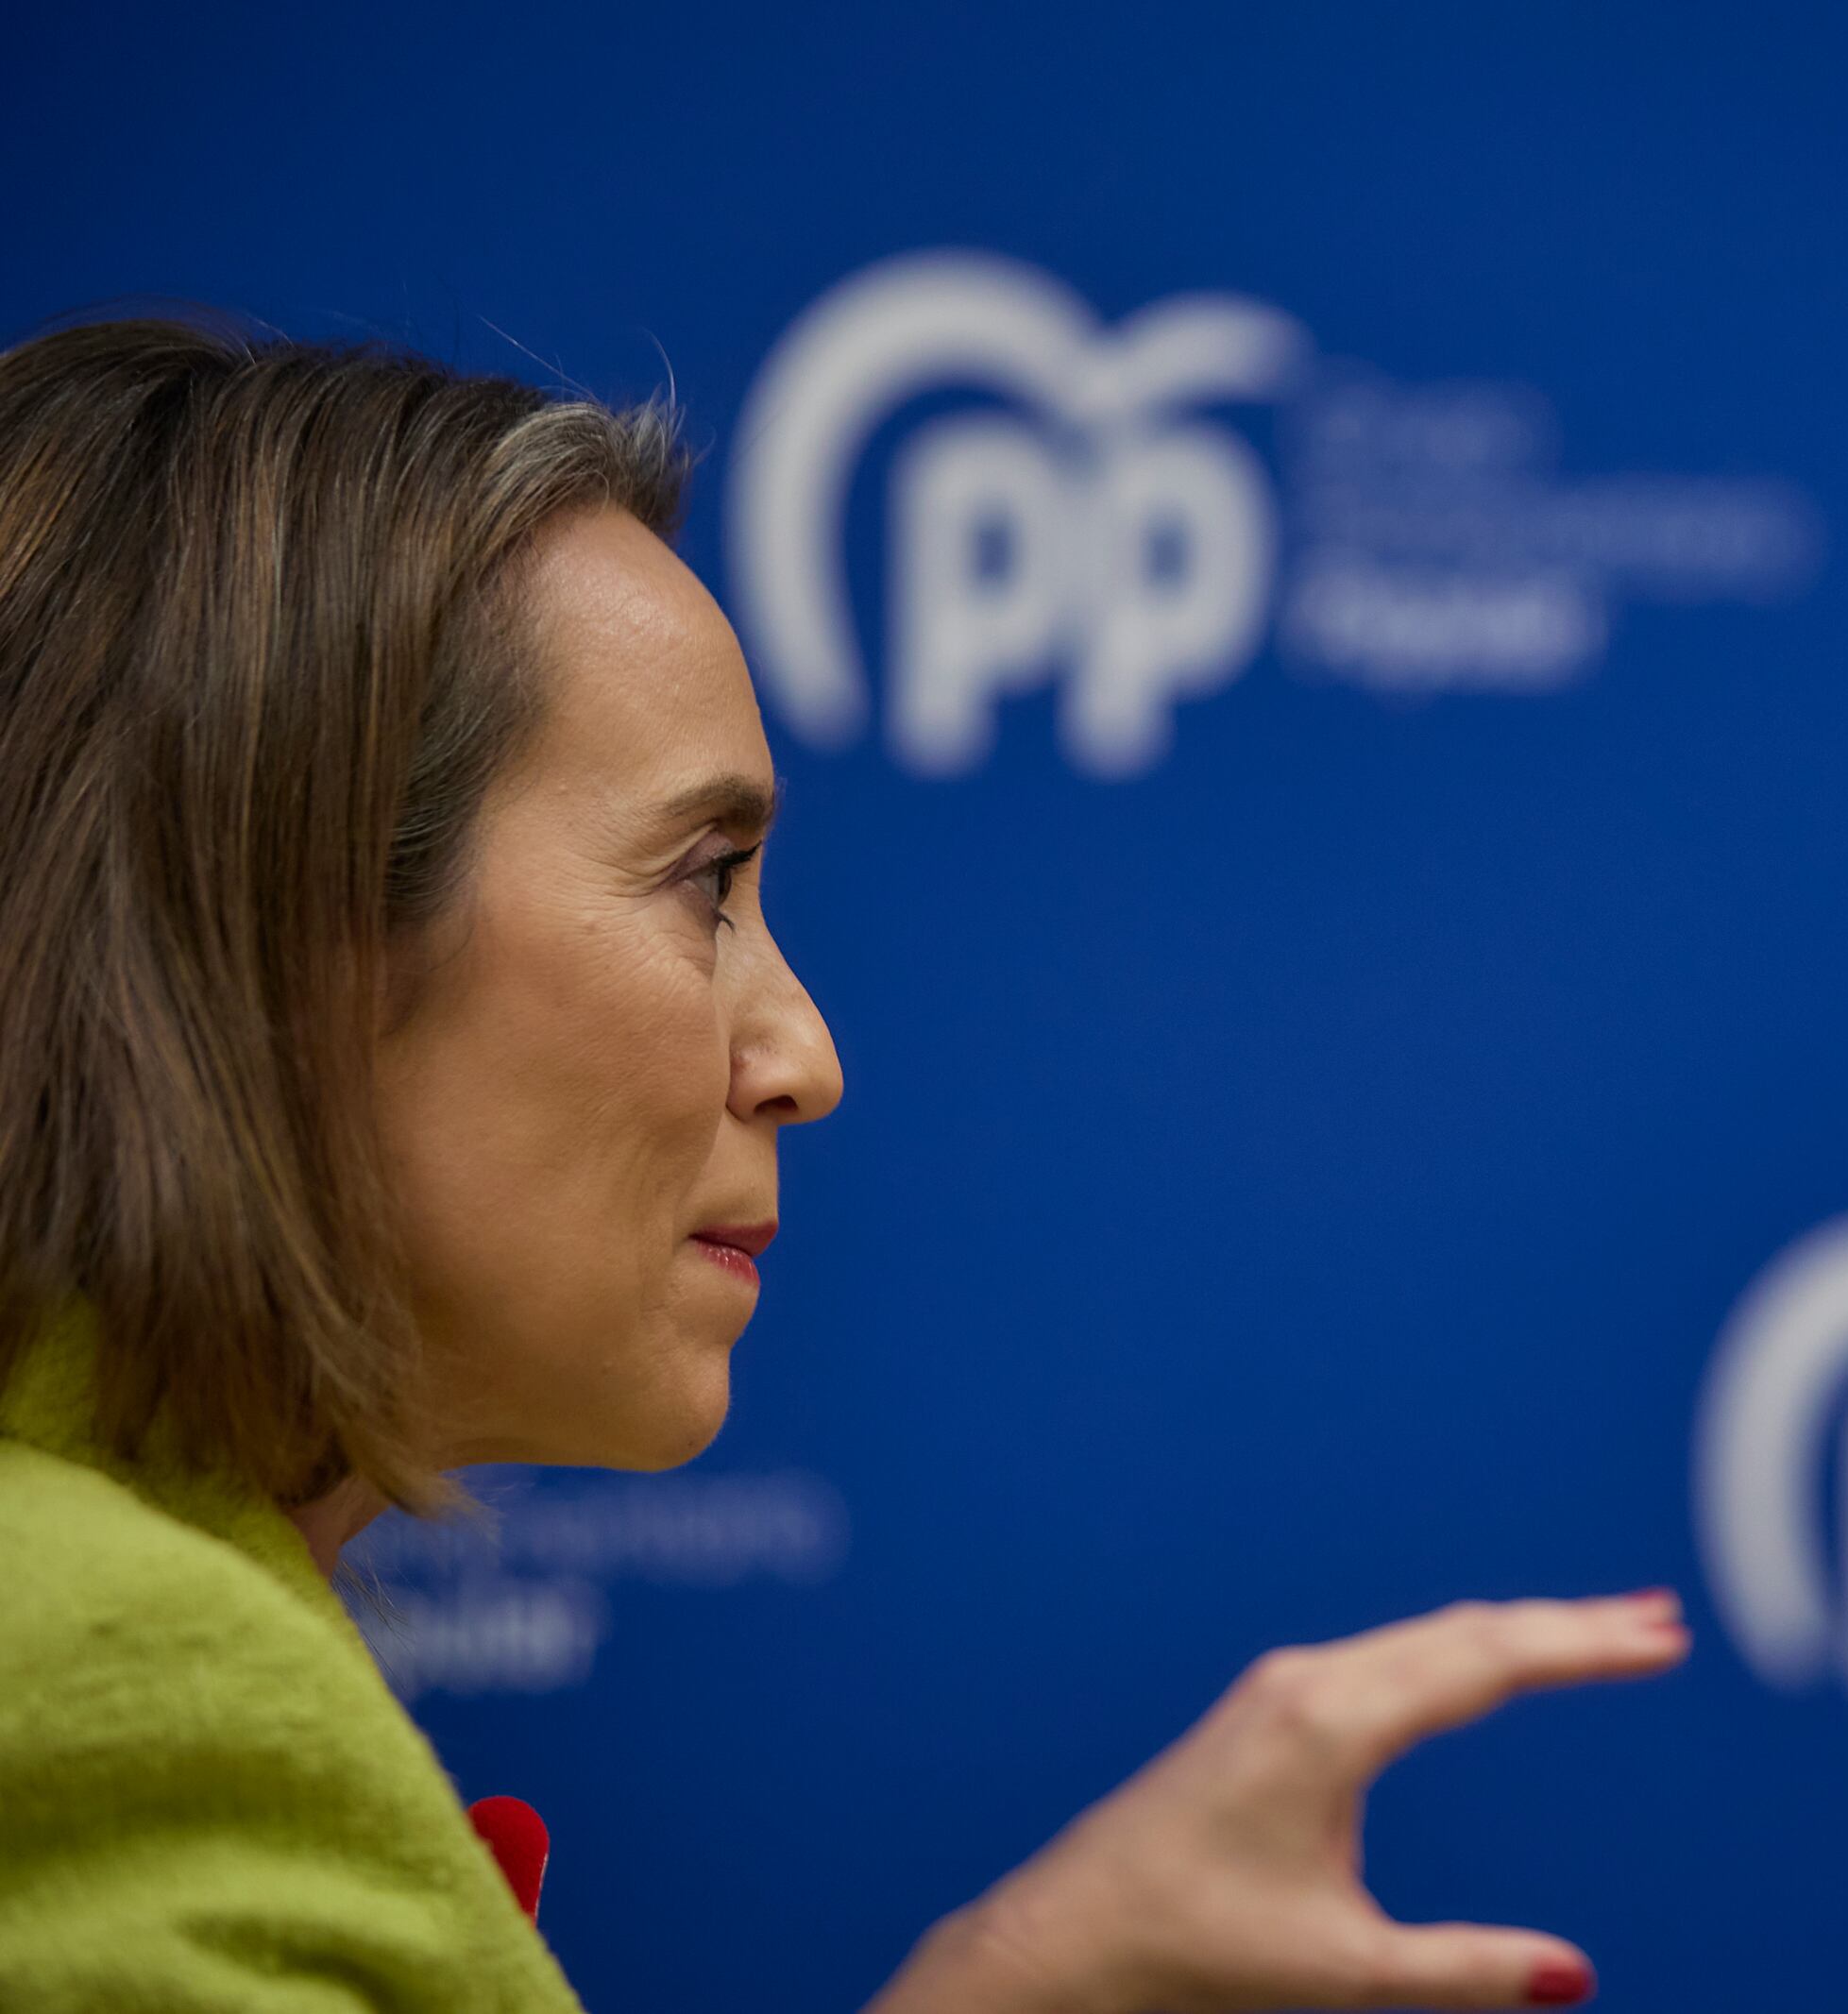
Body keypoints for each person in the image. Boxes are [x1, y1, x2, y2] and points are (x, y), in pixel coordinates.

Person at [0, 315, 1687, 2014]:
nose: (804, 1056)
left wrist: (1026, 1977)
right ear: (280, 933)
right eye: (703, 881)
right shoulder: (125, 1692)